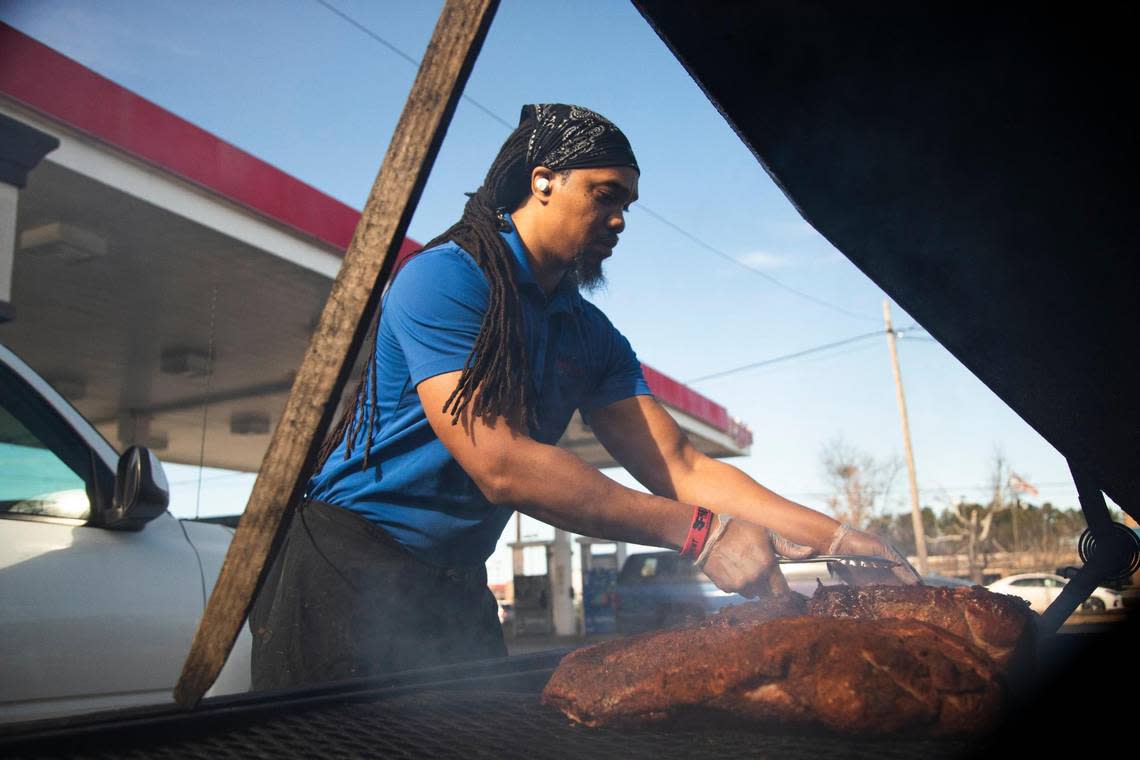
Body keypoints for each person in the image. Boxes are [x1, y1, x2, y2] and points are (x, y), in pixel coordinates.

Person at [250, 104, 919, 690]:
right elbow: (502, 464)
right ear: (542, 180)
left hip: (453, 581)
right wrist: (700, 534)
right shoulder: (442, 280)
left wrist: (838, 535)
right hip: (343, 569)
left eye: (628, 203)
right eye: (605, 195)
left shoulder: (589, 333)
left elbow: (681, 467)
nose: (621, 219)